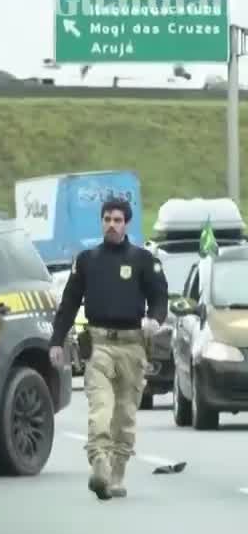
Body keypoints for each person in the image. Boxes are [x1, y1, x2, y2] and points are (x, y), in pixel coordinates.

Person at [51, 197, 167, 501]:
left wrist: (154, 319)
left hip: (132, 346)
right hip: (99, 345)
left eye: (117, 220)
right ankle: (99, 465)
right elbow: (69, 304)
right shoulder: (87, 261)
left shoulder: (143, 260)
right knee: (100, 409)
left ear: (126, 223)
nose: (112, 225)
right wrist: (56, 341)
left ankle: (117, 474)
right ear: (101, 222)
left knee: (125, 416)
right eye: (107, 219)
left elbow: (159, 297)